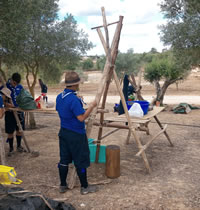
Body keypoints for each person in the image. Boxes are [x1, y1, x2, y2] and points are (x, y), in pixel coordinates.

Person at [56, 71, 98, 195]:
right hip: (76, 134)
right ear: (75, 85)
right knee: (81, 160)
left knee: (64, 159)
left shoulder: (60, 96)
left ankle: (62, 185)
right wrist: (91, 106)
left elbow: (62, 109)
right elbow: (81, 118)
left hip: (63, 131)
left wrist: (78, 101)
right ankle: (85, 187)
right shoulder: (74, 99)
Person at [1, 73, 25, 156]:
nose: (15, 85)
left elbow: (23, 98)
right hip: (10, 113)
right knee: (10, 131)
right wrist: (7, 104)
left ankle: (19, 146)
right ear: (11, 80)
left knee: (19, 130)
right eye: (14, 82)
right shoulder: (5, 87)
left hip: (19, 112)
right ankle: (11, 148)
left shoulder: (20, 87)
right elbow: (1, 100)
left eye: (16, 83)